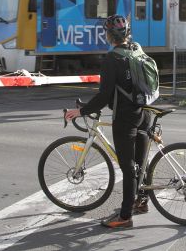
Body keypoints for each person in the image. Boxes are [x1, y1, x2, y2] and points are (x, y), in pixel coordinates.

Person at [64, 14, 150, 229]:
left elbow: (104, 96)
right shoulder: (136, 49)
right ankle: (142, 201)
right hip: (144, 112)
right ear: (127, 33)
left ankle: (124, 216)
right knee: (140, 162)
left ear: (109, 35)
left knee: (128, 167)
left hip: (126, 116)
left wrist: (81, 110)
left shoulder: (112, 59)